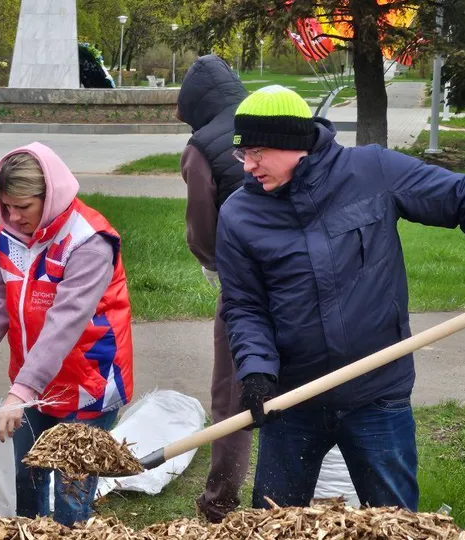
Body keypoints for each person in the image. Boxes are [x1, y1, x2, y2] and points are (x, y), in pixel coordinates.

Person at [214, 85, 465, 512]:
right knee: (274, 521)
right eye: (242, 154)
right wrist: (256, 371)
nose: (248, 165)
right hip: (292, 400)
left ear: (294, 144)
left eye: (256, 152)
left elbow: (462, 197)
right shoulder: (239, 215)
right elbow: (244, 305)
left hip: (377, 394)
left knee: (396, 521)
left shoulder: (372, 172)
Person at [0, 142, 134, 527]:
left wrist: (21, 392)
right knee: (24, 477)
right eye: (6, 206)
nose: (12, 217)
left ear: (49, 196)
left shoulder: (89, 241)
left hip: (89, 384)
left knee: (72, 494)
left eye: (23, 207)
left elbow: (64, 323)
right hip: (33, 386)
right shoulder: (6, 235)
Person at [175, 54, 250, 522]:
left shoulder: (201, 145)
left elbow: (203, 226)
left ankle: (220, 501)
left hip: (244, 283)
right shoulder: (279, 117)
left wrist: (212, 263)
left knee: (235, 395)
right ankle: (302, 496)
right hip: (314, 279)